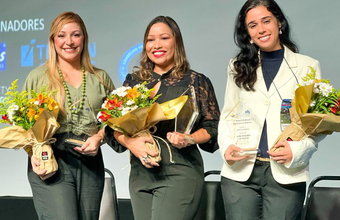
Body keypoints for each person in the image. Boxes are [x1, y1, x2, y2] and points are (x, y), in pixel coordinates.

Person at [105, 15, 220, 220]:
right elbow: (112, 126)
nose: (156, 45)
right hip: (140, 175)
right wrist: (131, 143)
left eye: (164, 38)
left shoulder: (195, 81)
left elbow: (213, 127)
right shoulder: (134, 82)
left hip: (179, 171)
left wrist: (189, 138)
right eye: (150, 39)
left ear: (177, 42)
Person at [218, 0, 324, 219]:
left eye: (266, 21)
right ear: (247, 32)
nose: (261, 30)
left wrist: (297, 150)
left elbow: (317, 123)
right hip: (240, 171)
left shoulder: (307, 66)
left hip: (286, 173)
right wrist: (226, 146)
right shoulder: (236, 66)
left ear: (279, 23)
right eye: (253, 25)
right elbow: (228, 114)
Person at [23, 11, 115, 220]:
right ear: (53, 40)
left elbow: (115, 121)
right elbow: (24, 125)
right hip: (52, 159)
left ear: (84, 38)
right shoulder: (38, 77)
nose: (69, 42)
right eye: (62, 35)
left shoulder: (100, 78)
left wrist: (99, 138)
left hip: (90, 162)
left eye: (76, 35)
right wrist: (33, 155)